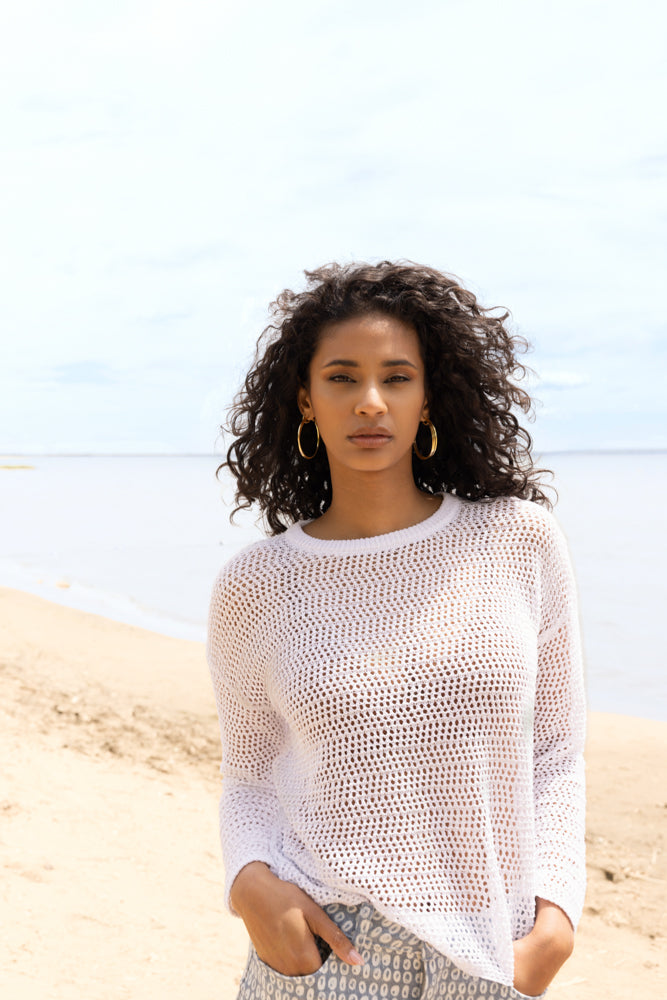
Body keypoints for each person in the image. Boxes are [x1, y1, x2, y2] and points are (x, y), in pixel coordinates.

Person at [207, 261, 586, 1000]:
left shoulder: (518, 541)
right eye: (342, 378)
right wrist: (250, 884)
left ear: (428, 396)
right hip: (327, 950)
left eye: (397, 377)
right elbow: (248, 773)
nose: (370, 403)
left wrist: (557, 915)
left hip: (493, 950)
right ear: (306, 401)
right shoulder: (257, 584)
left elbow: (555, 747)